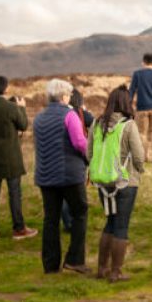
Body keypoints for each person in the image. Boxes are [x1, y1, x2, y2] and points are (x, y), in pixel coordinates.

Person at [32, 79, 91, 275]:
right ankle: (74, 259)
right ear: (65, 96)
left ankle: (50, 264)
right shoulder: (69, 115)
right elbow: (80, 144)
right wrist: (90, 157)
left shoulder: (39, 118)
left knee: (51, 219)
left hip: (45, 175)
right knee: (80, 212)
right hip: (69, 175)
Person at [88, 84, 145, 282]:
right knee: (121, 225)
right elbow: (139, 156)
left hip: (103, 182)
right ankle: (116, 272)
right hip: (126, 183)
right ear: (127, 103)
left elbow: (90, 153)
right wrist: (140, 170)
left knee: (110, 223)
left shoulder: (96, 124)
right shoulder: (128, 125)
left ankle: (102, 268)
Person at [0, 75, 38, 241]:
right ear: (5, 89)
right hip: (10, 156)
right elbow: (23, 125)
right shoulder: (10, 108)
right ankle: (19, 229)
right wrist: (22, 108)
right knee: (15, 194)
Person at [61, 88, 93, 233]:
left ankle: (67, 222)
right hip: (78, 158)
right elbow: (94, 125)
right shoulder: (81, 114)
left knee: (62, 195)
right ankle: (75, 223)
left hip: (59, 158)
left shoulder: (60, 113)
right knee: (76, 193)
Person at [129, 52, 152, 164]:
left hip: (141, 108)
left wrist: (128, 105)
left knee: (142, 133)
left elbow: (131, 91)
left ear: (143, 62)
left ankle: (144, 156)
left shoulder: (137, 74)